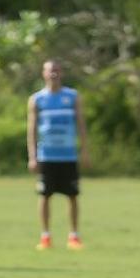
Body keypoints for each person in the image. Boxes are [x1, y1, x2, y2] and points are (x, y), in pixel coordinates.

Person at [27, 59, 90, 251]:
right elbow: (31, 129)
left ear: (61, 73)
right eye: (50, 70)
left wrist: (85, 149)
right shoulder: (37, 99)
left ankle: (74, 236)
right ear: (43, 74)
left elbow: (81, 125)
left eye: (56, 70)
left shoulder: (72, 97)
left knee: (72, 195)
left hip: (68, 156)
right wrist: (32, 155)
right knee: (44, 195)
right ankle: (45, 236)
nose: (53, 74)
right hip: (46, 156)